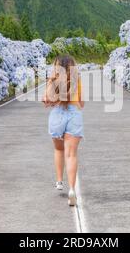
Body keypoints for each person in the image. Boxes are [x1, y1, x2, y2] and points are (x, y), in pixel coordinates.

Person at [43, 55, 84, 206]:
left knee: (59, 150)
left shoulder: (53, 80)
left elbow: (46, 100)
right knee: (71, 154)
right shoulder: (77, 80)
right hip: (74, 115)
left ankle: (59, 181)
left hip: (57, 115)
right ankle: (72, 189)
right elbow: (82, 103)